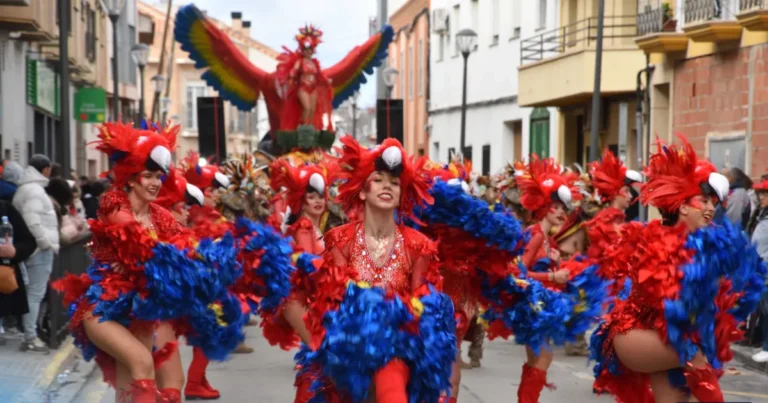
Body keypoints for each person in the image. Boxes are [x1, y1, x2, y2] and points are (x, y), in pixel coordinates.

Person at [590, 136, 766, 402]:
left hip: (666, 337)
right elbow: (669, 300)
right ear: (683, 205)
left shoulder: (702, 243)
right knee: (696, 356)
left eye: (713, 203)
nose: (710, 209)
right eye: (703, 201)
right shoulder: (657, 241)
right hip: (636, 336)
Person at [299, 137, 455, 403]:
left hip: (397, 350)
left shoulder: (419, 245)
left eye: (394, 183)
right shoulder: (339, 239)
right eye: (379, 179)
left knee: (390, 384)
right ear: (363, 191)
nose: (387, 186)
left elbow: (425, 303)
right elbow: (330, 298)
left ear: (401, 196)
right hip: (348, 349)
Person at [13, 154, 59, 353]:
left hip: (31, 248)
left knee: (32, 292)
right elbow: (33, 221)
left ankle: (29, 334)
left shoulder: (26, 188)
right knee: (35, 293)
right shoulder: (34, 191)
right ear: (46, 169)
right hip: (39, 250)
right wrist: (45, 243)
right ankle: (30, 337)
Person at [749, 177, 768, 363]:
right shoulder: (762, 215)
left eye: (764, 194)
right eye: (760, 194)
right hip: (759, 268)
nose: (761, 197)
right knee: (763, 309)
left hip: (766, 268)